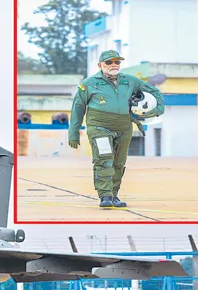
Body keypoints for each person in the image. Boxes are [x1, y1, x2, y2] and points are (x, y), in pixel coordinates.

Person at [68, 50, 164, 208]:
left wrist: (158, 109)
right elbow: (78, 107)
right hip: (99, 126)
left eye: (117, 62)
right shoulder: (88, 84)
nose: (113, 65)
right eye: (109, 62)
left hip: (123, 127)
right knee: (104, 160)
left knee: (119, 163)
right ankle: (105, 196)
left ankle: (114, 195)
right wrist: (73, 133)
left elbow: (154, 91)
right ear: (100, 65)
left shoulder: (130, 81)